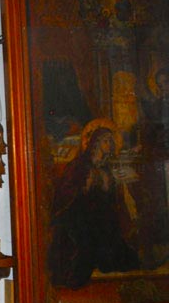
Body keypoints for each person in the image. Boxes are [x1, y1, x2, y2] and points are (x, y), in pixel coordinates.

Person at [47, 120, 140, 289]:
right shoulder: (79, 166)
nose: (110, 144)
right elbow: (66, 195)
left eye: (111, 141)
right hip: (79, 219)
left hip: (101, 220)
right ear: (96, 143)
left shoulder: (106, 169)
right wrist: (84, 187)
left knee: (125, 255)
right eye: (106, 140)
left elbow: (111, 201)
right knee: (87, 249)